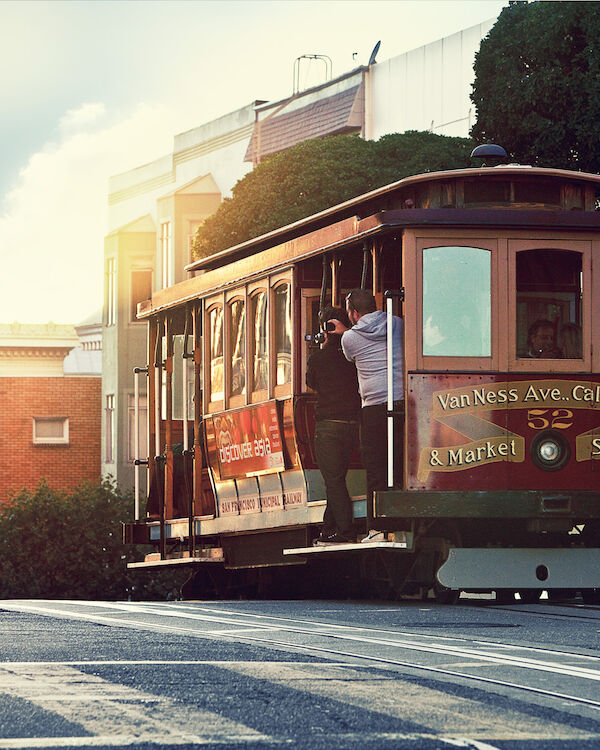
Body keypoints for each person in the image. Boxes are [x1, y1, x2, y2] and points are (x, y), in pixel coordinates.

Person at [331, 288, 404, 542]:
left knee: (375, 468)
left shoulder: (349, 338)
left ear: (353, 312)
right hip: (403, 401)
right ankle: (405, 520)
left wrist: (341, 332)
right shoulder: (397, 324)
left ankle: (379, 529)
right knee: (403, 463)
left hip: (373, 407)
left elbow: (351, 356)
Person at [306, 306, 361, 544]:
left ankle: (346, 531)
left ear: (327, 328)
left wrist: (327, 345)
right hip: (351, 426)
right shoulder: (354, 354)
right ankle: (329, 528)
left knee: (334, 480)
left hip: (328, 427)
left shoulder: (319, 357)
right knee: (335, 478)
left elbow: (311, 383)